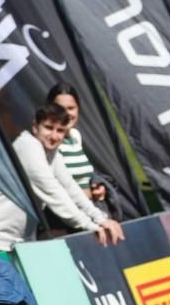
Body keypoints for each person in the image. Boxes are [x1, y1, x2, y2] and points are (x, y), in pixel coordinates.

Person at [13, 103, 124, 245]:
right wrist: (91, 226)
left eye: (60, 130)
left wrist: (101, 218)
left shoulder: (51, 152)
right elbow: (53, 192)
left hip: (20, 240)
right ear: (35, 126)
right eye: (48, 127)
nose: (54, 136)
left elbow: (70, 187)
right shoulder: (27, 145)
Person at [48, 82, 120, 219]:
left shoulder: (75, 136)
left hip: (89, 213)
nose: (66, 113)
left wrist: (97, 187)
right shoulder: (49, 143)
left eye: (71, 108)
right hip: (66, 219)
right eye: (60, 108)